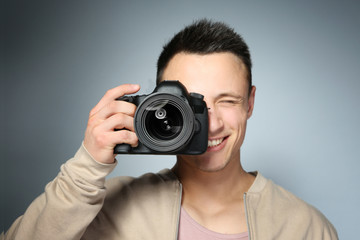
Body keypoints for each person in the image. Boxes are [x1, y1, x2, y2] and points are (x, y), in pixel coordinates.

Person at [3, 19, 338, 240]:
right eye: (193, 104)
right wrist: (87, 165)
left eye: (227, 101)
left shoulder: (305, 226)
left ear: (250, 103)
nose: (211, 124)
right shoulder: (106, 209)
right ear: (160, 105)